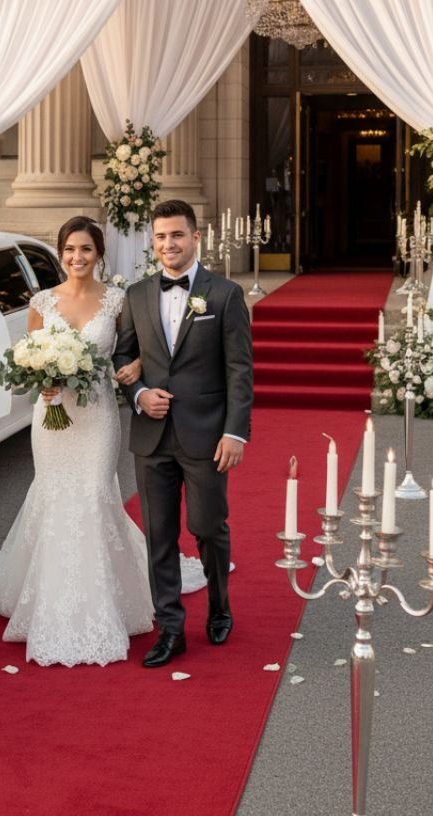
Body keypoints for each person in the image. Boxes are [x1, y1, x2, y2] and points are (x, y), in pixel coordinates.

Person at [0, 216, 156, 667]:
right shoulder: (42, 301)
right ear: (61, 252)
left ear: (99, 254)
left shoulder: (117, 301)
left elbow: (139, 348)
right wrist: (40, 383)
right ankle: (49, 595)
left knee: (92, 494)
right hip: (52, 419)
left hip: (98, 416)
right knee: (55, 495)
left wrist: (136, 366)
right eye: (69, 249)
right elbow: (30, 358)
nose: (77, 257)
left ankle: (101, 601)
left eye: (86, 249)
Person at [113, 199, 253, 668]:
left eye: (177, 235)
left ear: (196, 237)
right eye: (160, 237)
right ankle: (170, 627)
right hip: (151, 437)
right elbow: (122, 358)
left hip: (207, 436)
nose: (168, 244)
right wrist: (139, 396)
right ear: (152, 242)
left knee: (208, 527)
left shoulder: (225, 295)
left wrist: (235, 433)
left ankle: (220, 604)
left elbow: (239, 371)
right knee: (159, 534)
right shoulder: (135, 295)